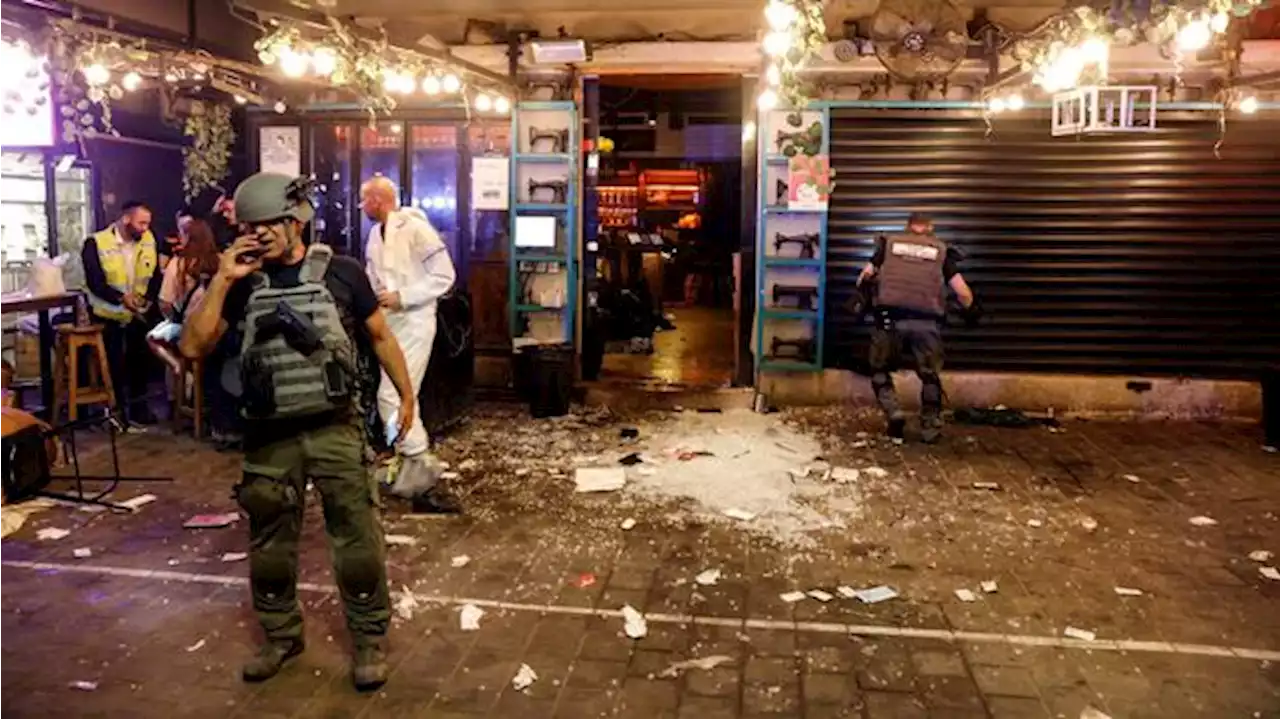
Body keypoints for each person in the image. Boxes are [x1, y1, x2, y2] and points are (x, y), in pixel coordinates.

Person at [178, 172, 417, 691]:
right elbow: (193, 347)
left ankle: (369, 637)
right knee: (270, 545)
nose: (258, 233)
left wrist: (406, 396)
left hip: (335, 427)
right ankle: (282, 636)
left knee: (357, 541)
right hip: (269, 436)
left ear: (296, 221)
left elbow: (379, 338)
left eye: (269, 223)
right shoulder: (238, 285)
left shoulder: (343, 274)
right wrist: (221, 279)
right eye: (249, 225)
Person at [359, 177, 461, 514]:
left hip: (415, 320)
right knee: (395, 395)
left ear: (379, 199)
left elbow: (444, 275)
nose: (362, 207)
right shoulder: (375, 234)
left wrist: (404, 297)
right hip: (390, 322)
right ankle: (408, 462)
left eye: (365, 200)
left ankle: (420, 463)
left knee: (395, 394)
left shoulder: (416, 229)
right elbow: (375, 277)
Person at [857, 213, 975, 444]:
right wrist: (971, 312)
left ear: (908, 227)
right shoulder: (941, 252)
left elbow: (864, 277)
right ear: (930, 227)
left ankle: (894, 413)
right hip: (927, 323)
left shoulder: (888, 246)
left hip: (889, 320)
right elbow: (962, 292)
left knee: (879, 369)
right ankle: (930, 426)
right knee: (929, 375)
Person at [82, 200, 163, 426]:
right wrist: (120, 298)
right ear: (126, 219)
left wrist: (148, 299)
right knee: (113, 364)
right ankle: (116, 412)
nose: (146, 228)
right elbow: (95, 282)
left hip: (138, 312)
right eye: (141, 223)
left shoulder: (148, 240)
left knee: (140, 362)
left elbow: (155, 274)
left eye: (148, 223)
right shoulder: (95, 243)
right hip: (108, 313)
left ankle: (139, 409)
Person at [147, 218, 220, 373]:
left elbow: (165, 302)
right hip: (217, 330)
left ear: (188, 238)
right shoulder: (221, 261)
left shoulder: (179, 263)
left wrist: (172, 317)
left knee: (153, 338)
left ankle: (178, 368)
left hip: (188, 330)